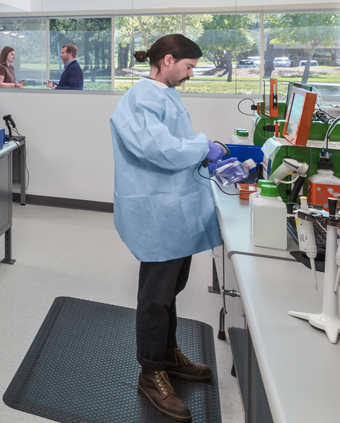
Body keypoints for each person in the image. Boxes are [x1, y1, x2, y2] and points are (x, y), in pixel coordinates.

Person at [109, 34, 222, 422]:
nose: (190, 74)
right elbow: (161, 150)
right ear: (169, 59)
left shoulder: (164, 94)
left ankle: (169, 356)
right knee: (156, 295)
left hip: (174, 208)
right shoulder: (142, 98)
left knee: (171, 289)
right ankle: (149, 371)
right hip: (156, 210)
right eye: (188, 67)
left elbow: (172, 142)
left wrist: (203, 149)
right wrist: (204, 146)